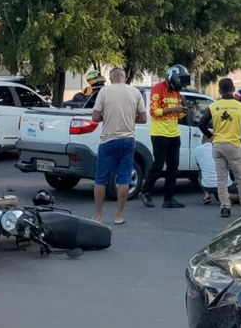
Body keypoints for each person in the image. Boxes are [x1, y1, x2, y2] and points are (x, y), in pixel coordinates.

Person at [90, 68, 147, 225]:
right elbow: (143, 118)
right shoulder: (135, 92)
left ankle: (98, 215)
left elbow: (95, 117)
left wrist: (107, 116)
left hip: (108, 140)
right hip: (128, 140)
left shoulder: (104, 92)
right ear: (125, 77)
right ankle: (118, 216)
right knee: (124, 178)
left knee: (100, 178)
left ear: (110, 78)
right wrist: (129, 118)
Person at [141, 64, 191, 209]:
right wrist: (174, 109)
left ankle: (169, 198)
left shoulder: (176, 92)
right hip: (160, 133)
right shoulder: (158, 88)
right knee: (158, 165)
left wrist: (183, 112)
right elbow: (154, 111)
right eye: (179, 81)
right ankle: (145, 192)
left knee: (173, 167)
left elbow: (177, 114)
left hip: (174, 133)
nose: (180, 84)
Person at [201, 77, 241, 217]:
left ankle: (225, 207)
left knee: (221, 178)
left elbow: (201, 124)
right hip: (234, 145)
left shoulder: (213, 106)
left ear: (219, 90)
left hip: (218, 145)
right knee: (240, 177)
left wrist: (210, 136)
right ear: (233, 89)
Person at [193, 130, 220, 205]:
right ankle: (226, 196)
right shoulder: (219, 148)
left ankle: (206, 195)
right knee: (239, 195)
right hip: (224, 184)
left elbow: (200, 167)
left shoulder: (196, 150)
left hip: (207, 185)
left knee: (201, 174)